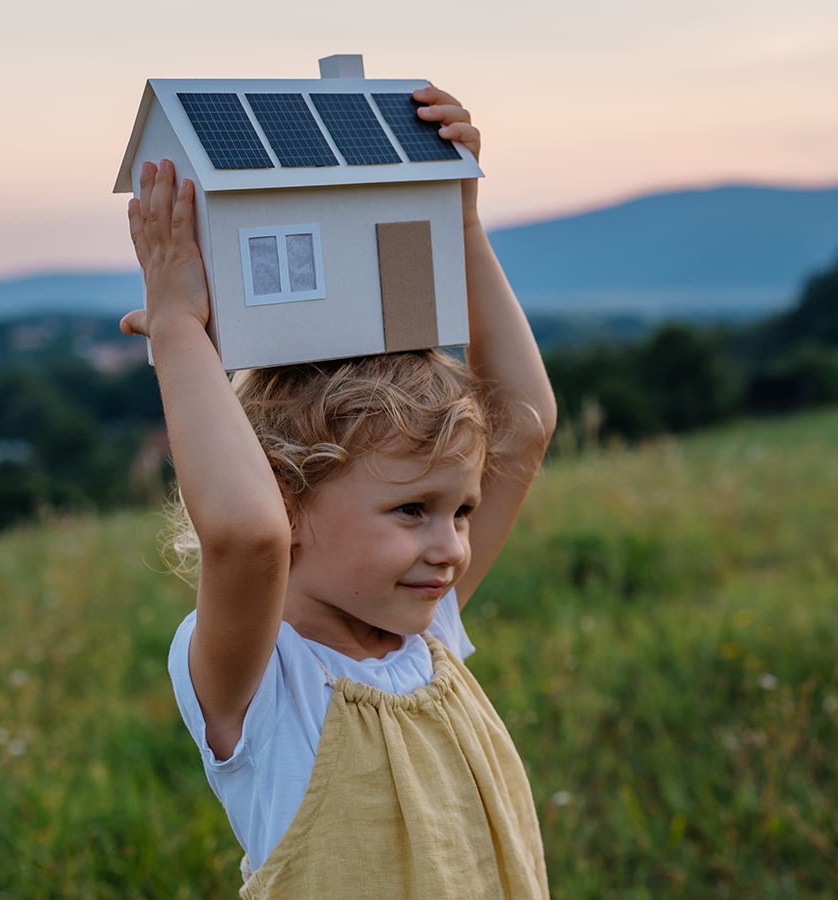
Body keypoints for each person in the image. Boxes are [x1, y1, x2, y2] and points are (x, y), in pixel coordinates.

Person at [119, 86, 558, 898]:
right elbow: (245, 535)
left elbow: (524, 426)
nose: (453, 546)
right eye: (411, 511)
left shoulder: (423, 634)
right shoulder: (266, 683)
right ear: (288, 501)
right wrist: (179, 326)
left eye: (459, 509)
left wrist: (457, 224)